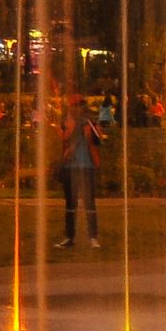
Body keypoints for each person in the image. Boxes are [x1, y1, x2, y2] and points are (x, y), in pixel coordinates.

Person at [55, 99, 102, 250]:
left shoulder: (90, 122)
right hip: (71, 166)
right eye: (74, 105)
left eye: (79, 105)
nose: (77, 108)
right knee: (70, 204)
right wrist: (70, 127)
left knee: (89, 203)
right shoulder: (68, 122)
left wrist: (91, 131)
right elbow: (63, 137)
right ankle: (70, 236)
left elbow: (98, 139)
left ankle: (93, 237)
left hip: (87, 166)